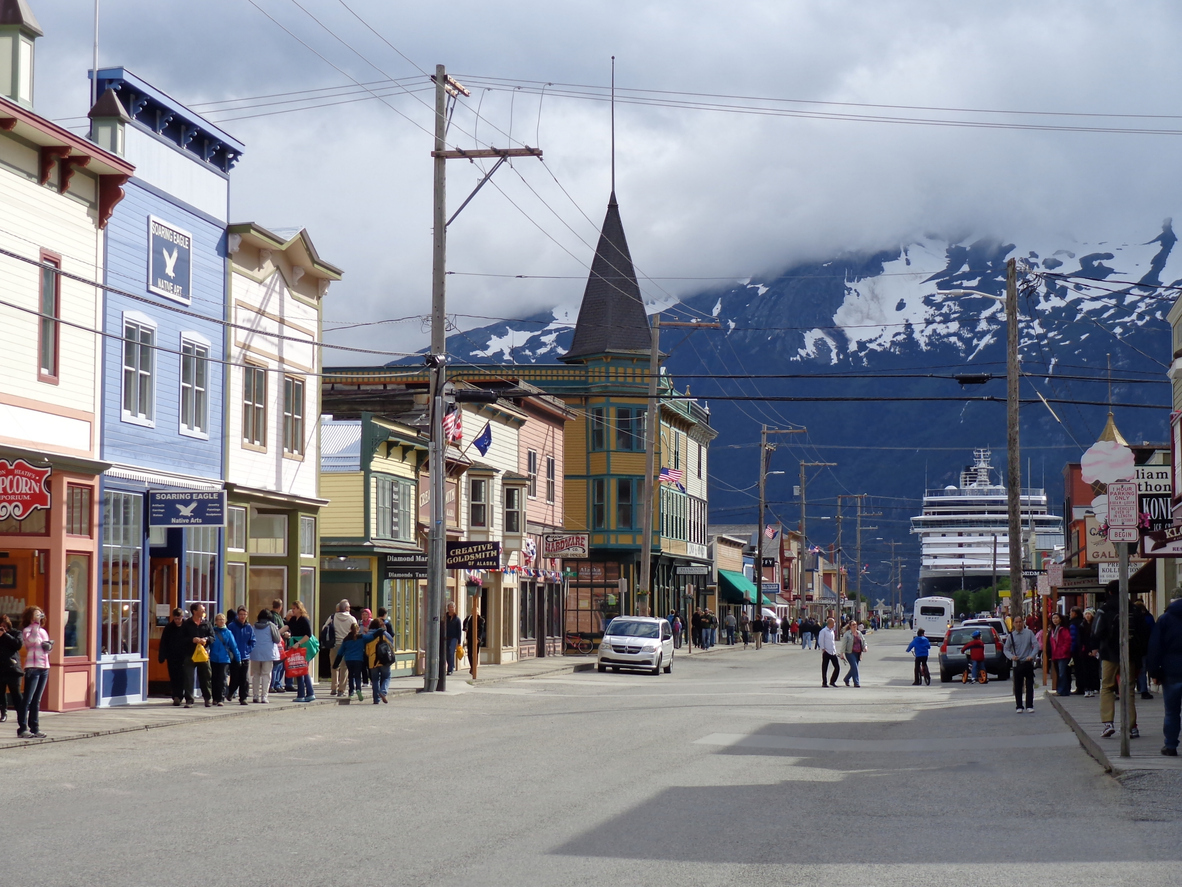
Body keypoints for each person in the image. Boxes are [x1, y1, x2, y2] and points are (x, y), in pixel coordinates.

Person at [1094, 585, 1148, 739]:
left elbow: (1096, 632)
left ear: (1109, 592)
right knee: (1128, 690)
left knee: (1107, 687)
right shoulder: (1134, 609)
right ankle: (1131, 726)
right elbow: (1144, 632)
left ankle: (1108, 723)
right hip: (1129, 654)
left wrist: (1097, 645)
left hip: (1109, 653)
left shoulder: (1105, 609)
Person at [1145, 587, 1182, 756]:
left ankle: (1170, 745)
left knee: (1172, 711)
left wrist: (1154, 672)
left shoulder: (1165, 619)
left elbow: (1155, 647)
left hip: (1172, 669)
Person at [17, 607, 51, 739]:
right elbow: (31, 642)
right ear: (31, 617)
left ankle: (35, 727)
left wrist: (48, 647)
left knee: (37, 700)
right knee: (28, 699)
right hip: (32, 667)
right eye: (37, 614)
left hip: (44, 666)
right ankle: (22, 728)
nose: (39, 616)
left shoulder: (43, 631)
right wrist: (35, 625)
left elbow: (45, 649)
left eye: (40, 614)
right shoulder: (28, 631)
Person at [180, 602, 214, 708]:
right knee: (189, 677)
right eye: (201, 609)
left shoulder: (206, 623)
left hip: (203, 654)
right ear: (194, 611)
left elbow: (212, 637)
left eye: (203, 609)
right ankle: (189, 700)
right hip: (190, 653)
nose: (204, 611)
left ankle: (208, 698)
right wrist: (192, 639)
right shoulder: (187, 623)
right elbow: (181, 638)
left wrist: (206, 639)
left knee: (206, 676)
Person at [1004, 618, 1038, 712]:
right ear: (1014, 624)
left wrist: (1031, 656)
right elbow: (1006, 649)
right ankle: (1019, 706)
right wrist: (1011, 657)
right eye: (1016, 622)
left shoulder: (1029, 633)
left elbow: (1036, 645)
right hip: (1017, 663)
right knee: (1018, 685)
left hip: (1028, 662)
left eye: (1020, 622)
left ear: (1023, 623)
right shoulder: (1011, 636)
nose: (1019, 624)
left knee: (1029, 684)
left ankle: (1029, 705)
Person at [249, 609, 283, 703]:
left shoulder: (254, 626)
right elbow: (277, 639)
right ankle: (264, 696)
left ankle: (255, 695)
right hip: (268, 653)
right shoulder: (271, 626)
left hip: (255, 653)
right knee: (266, 674)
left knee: (256, 674)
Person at [286, 600, 316, 703]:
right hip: (296, 646)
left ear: (299, 608)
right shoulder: (294, 619)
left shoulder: (304, 620)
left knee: (301, 669)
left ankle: (303, 694)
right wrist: (276, 632)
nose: (292, 610)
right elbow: (287, 626)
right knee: (301, 669)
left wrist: (298, 643)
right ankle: (308, 694)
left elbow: (308, 635)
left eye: (294, 608)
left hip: (303, 646)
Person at [209, 612, 241, 707]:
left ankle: (221, 698)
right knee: (214, 679)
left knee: (222, 679)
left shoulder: (228, 633)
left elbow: (234, 646)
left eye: (223, 620)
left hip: (225, 659)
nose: (222, 621)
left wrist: (238, 658)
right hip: (214, 658)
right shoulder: (212, 632)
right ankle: (215, 698)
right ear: (216, 621)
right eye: (219, 620)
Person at [328, 599, 358, 697]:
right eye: (349, 607)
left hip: (335, 645)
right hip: (347, 645)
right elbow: (356, 632)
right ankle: (341, 689)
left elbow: (325, 628)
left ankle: (333, 688)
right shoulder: (352, 619)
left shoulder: (332, 617)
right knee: (344, 668)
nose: (350, 608)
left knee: (334, 667)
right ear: (346, 608)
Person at [157, 608, 187, 706]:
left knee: (183, 677)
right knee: (174, 677)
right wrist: (162, 655)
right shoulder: (169, 628)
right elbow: (163, 642)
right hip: (172, 656)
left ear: (182, 617)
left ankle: (182, 695)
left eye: (179, 618)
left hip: (184, 656)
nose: (177, 621)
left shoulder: (187, 626)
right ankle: (176, 696)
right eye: (175, 619)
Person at [332, 624, 368, 702]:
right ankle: (358, 689)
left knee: (351, 675)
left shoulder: (346, 639)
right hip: (359, 659)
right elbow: (370, 638)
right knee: (358, 675)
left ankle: (351, 692)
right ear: (358, 629)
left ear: (350, 629)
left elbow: (340, 652)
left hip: (348, 660)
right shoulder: (362, 637)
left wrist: (335, 664)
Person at [226, 607, 254, 705]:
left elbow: (253, 641)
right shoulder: (232, 626)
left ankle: (243, 698)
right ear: (237, 615)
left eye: (244, 614)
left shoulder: (249, 627)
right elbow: (227, 640)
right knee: (235, 677)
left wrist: (248, 650)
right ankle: (230, 692)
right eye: (241, 614)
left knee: (244, 678)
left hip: (245, 656)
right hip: (234, 656)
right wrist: (231, 652)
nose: (242, 616)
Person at [0, 614, 24, 726]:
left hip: (13, 668)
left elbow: (18, 645)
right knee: (1, 693)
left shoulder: (15, 633)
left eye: (4, 626)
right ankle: (3, 713)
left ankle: (22, 714)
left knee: (16, 693)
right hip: (1, 668)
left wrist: (5, 635)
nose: (2, 628)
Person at [364, 619, 395, 703]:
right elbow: (391, 643)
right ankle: (383, 691)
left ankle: (376, 699)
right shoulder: (384, 634)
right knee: (386, 676)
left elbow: (367, 650)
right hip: (384, 659)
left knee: (375, 680)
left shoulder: (368, 635)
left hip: (372, 660)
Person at [1134, 599, 1156, 700]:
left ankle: (1141, 687)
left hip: (1137, 647)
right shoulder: (1149, 618)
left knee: (1141, 669)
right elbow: (1153, 631)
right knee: (1145, 668)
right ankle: (1143, 688)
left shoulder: (1134, 618)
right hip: (1147, 646)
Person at [1048, 612, 1073, 696]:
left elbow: (1068, 641)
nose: (1055, 620)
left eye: (1056, 618)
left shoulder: (1063, 629)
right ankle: (1063, 690)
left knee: (1062, 673)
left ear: (1060, 619)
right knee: (1059, 673)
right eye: (1053, 618)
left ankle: (1062, 690)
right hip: (1055, 655)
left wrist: (1063, 650)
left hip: (1063, 655)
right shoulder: (1053, 630)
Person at [1068, 606, 1089, 697]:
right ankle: (1084, 687)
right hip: (1083, 649)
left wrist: (1071, 650)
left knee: (1078, 670)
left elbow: (1073, 638)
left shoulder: (1073, 624)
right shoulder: (1082, 622)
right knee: (1083, 669)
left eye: (1071, 612)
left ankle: (1080, 687)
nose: (1070, 614)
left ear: (1075, 613)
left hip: (1077, 650)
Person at [267, 599, 286, 693]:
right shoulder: (275, 617)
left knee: (280, 665)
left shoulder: (275, 616)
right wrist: (284, 634)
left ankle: (277, 684)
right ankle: (273, 684)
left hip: (279, 643)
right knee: (277, 665)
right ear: (280, 607)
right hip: (278, 643)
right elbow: (277, 630)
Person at [841, 622, 866, 687]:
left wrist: (865, 647)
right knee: (854, 667)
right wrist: (842, 653)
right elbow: (844, 644)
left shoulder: (859, 633)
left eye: (855, 624)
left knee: (854, 668)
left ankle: (846, 679)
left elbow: (863, 641)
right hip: (850, 653)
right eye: (853, 625)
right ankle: (856, 682)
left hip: (858, 653)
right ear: (850, 626)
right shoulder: (847, 634)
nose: (854, 626)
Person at [818, 617, 840, 687]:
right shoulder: (823, 631)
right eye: (833, 623)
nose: (834, 625)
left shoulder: (832, 631)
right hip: (826, 651)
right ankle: (824, 682)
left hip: (832, 651)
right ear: (830, 623)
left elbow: (832, 642)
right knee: (825, 668)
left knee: (837, 667)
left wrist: (835, 650)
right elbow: (821, 640)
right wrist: (823, 649)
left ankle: (832, 681)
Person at [444, 602, 462, 675]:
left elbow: (459, 631)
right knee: (446, 653)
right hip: (445, 637)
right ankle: (451, 665)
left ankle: (450, 669)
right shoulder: (445, 617)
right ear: (448, 608)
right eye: (450, 607)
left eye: (453, 607)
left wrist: (459, 642)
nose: (452, 608)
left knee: (451, 652)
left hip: (453, 638)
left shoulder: (457, 619)